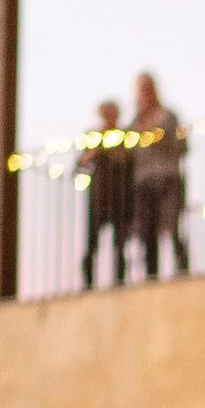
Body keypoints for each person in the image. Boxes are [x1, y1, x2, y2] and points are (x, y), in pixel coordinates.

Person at [129, 70, 189, 277]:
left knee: (172, 227)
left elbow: (182, 145)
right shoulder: (135, 122)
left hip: (168, 179)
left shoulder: (168, 117)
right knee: (147, 232)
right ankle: (151, 275)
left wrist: (159, 137)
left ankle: (182, 270)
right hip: (144, 182)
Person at [76, 99, 129, 287]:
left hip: (119, 195)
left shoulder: (124, 136)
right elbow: (80, 164)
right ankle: (88, 283)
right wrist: (94, 152)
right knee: (92, 242)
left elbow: (129, 162)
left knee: (120, 243)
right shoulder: (93, 137)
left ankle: (120, 281)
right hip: (98, 195)